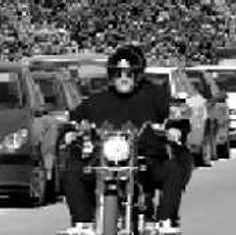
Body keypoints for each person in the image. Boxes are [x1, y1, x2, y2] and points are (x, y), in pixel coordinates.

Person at [60, 45, 192, 235]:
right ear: (111, 76)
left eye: (129, 74)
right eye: (118, 74)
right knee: (72, 170)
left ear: (137, 76)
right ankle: (82, 222)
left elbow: (175, 116)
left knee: (174, 169)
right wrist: (70, 131)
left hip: (146, 160)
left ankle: (165, 220)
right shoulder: (98, 100)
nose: (123, 78)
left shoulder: (154, 97)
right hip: (104, 162)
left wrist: (174, 128)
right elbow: (75, 117)